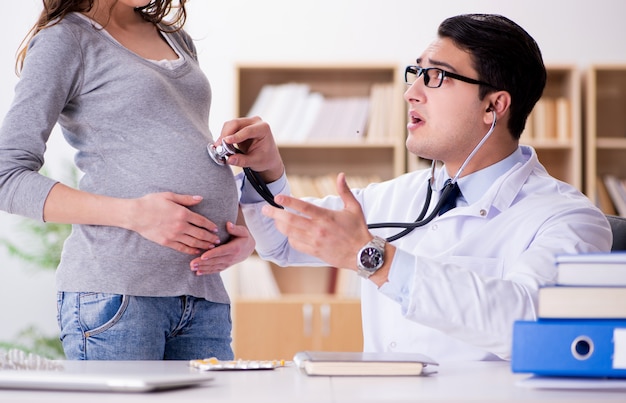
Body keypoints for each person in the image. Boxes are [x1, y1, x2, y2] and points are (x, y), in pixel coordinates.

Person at [207, 14, 612, 361]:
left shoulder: (569, 218)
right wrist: (266, 171)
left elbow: (530, 325)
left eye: (435, 76)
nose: (410, 93)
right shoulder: (395, 196)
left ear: (494, 106)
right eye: (416, 72)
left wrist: (374, 258)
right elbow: (282, 242)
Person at [0, 0, 255, 360]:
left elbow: (174, 147)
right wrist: (135, 214)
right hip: (118, 298)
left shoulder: (176, 38)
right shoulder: (66, 40)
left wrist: (238, 235)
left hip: (202, 295)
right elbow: (7, 177)